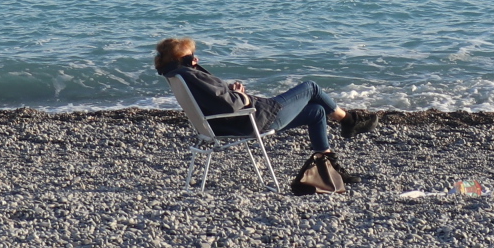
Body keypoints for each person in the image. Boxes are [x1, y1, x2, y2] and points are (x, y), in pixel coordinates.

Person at [153, 38, 371, 159]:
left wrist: (232, 91)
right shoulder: (191, 75)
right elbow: (233, 104)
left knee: (317, 111)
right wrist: (240, 95)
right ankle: (348, 121)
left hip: (230, 124)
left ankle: (326, 164)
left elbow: (215, 98)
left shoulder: (178, 75)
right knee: (311, 87)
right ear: (182, 60)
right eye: (192, 57)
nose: (197, 59)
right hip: (254, 119)